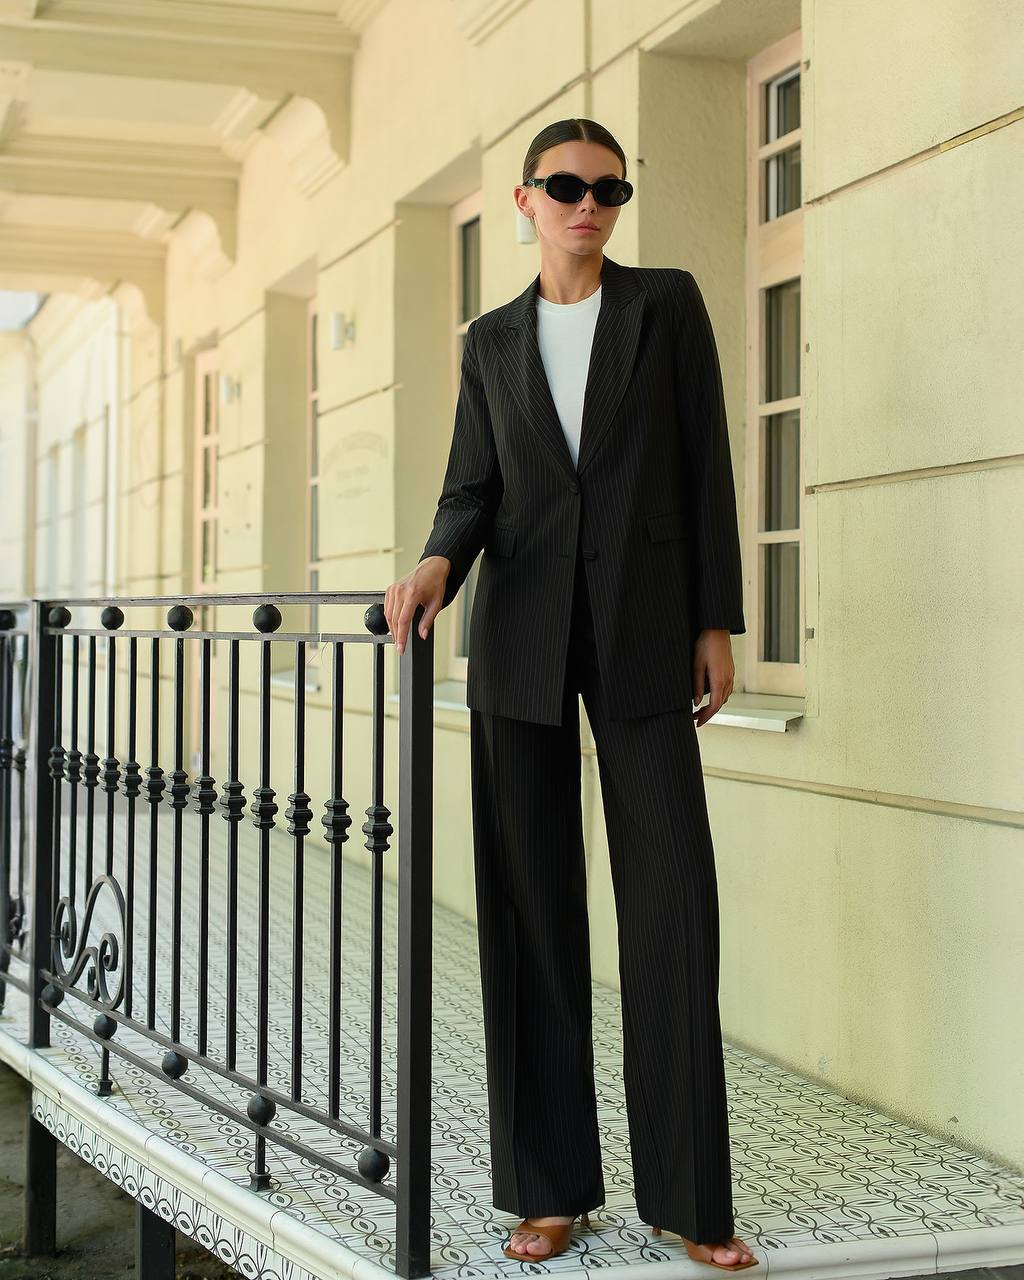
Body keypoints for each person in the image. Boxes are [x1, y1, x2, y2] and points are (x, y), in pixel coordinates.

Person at [384, 117, 758, 1273]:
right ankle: (548, 1190)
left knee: (672, 905)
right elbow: (472, 484)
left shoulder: (666, 304)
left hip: (647, 633)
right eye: (564, 186)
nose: (587, 203)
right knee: (528, 911)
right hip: (520, 638)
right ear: (525, 200)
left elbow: (705, 461)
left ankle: (691, 1197)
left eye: (607, 188)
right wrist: (436, 563)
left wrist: (712, 618)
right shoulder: (490, 339)